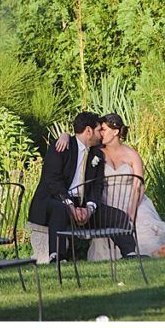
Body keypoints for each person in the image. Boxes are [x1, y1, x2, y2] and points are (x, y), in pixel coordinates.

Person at [53, 113, 165, 259]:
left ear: (116, 131)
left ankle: (154, 251)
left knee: (142, 223)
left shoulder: (131, 154)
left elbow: (139, 183)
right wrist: (65, 135)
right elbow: (79, 140)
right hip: (108, 200)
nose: (100, 133)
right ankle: (132, 252)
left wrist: (133, 207)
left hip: (132, 198)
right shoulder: (95, 152)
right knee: (113, 218)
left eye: (103, 129)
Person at [28, 111, 137, 262]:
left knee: (117, 216)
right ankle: (57, 257)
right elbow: (53, 181)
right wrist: (70, 205)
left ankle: (131, 254)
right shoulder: (61, 147)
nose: (101, 134)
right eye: (99, 130)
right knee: (60, 210)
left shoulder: (97, 154)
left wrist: (90, 209)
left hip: (82, 205)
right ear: (88, 131)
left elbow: (97, 186)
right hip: (54, 201)